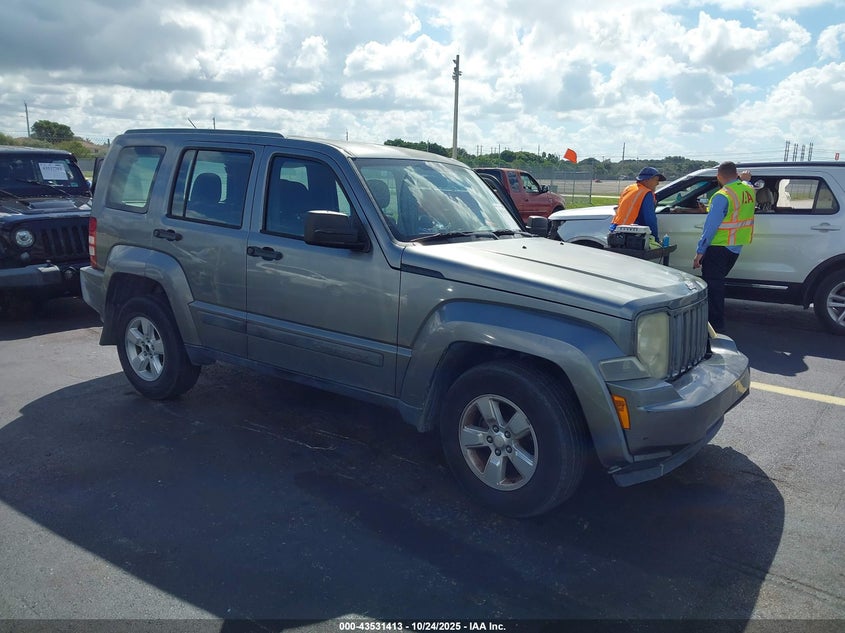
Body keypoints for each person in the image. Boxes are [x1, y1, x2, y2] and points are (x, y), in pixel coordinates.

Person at [693, 161, 755, 332]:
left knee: (713, 290)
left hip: (718, 246)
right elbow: (745, 185)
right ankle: (714, 325)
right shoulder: (749, 190)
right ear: (736, 174)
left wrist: (700, 251)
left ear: (718, 176)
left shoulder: (722, 195)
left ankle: (714, 328)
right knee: (717, 285)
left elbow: (710, 227)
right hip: (735, 247)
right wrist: (745, 180)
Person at [609, 166, 666, 239]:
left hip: (616, 229)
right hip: (630, 234)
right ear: (646, 180)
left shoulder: (629, 188)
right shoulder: (646, 193)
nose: (658, 183)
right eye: (656, 180)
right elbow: (650, 219)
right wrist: (655, 238)